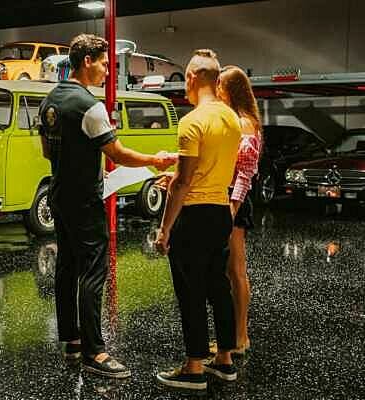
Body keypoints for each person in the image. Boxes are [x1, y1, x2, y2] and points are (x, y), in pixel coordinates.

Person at [38, 33, 177, 379]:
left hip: (59, 194)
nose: (106, 70)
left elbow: (45, 151)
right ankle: (95, 352)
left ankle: (71, 339)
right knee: (93, 271)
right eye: (103, 63)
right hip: (85, 200)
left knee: (67, 268)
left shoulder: (50, 101)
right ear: (87, 61)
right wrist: (154, 159)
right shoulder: (90, 106)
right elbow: (116, 153)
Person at [154, 49, 241, 391]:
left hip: (193, 216)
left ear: (191, 79)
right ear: (217, 80)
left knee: (190, 292)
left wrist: (164, 229)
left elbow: (184, 182)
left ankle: (192, 367)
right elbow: (209, 164)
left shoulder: (191, 121)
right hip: (221, 211)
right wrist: (179, 170)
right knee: (218, 287)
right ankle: (225, 360)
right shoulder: (231, 118)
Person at [217, 65, 262, 354]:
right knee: (231, 271)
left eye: (219, 85)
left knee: (236, 271)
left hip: (237, 199)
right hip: (231, 197)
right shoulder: (240, 119)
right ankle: (235, 336)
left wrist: (233, 207)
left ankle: (240, 338)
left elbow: (245, 172)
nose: (216, 90)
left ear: (230, 89)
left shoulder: (245, 123)